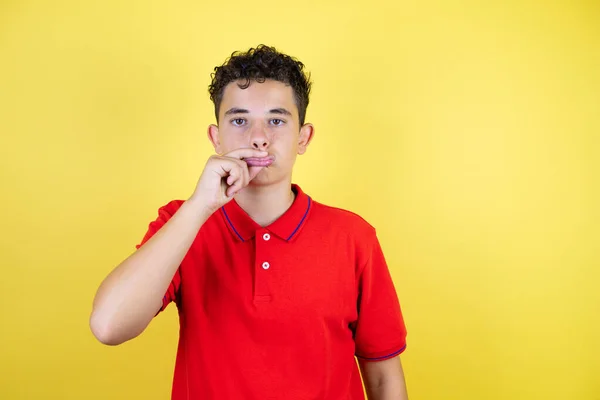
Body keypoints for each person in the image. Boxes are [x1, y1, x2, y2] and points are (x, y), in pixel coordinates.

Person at [90, 44, 409, 400]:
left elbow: (383, 378)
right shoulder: (182, 222)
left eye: (276, 120)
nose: (258, 138)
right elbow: (108, 326)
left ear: (302, 138)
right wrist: (199, 206)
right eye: (239, 121)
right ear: (216, 138)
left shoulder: (354, 237)